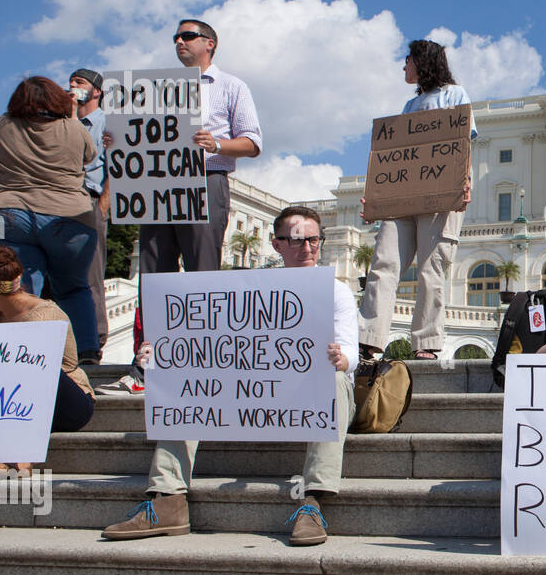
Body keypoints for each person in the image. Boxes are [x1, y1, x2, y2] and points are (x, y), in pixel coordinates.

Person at [102, 205, 359, 545]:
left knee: (336, 379)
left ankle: (313, 500)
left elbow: (352, 357)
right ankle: (168, 499)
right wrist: (159, 355)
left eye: (314, 240)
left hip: (309, 392)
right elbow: (203, 346)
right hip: (250, 391)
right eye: (297, 241)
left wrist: (340, 358)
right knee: (186, 374)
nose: (308, 248)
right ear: (277, 244)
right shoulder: (245, 287)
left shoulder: (336, 290)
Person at [110, 19, 263, 275]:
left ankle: (203, 315)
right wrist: (116, 140)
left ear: (210, 44)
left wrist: (216, 144)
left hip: (205, 178)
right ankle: (154, 315)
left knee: (201, 263)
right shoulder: (156, 89)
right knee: (152, 265)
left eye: (188, 36)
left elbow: (252, 143)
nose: (179, 42)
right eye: (176, 38)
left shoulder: (231, 86)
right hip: (158, 183)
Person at [358, 39, 475, 361]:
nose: (403, 66)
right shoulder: (410, 106)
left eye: (407, 60)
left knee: (431, 268)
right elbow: (395, 157)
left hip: (441, 193)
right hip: (403, 194)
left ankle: (427, 341)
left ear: (422, 61)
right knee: (384, 262)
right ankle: (370, 337)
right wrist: (377, 199)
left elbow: (463, 141)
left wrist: (462, 183)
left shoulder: (455, 94)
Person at [0, 76, 100, 359]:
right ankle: (86, 352)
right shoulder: (73, 128)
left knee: (19, 290)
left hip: (11, 210)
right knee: (74, 288)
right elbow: (89, 156)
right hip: (69, 216)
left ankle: (20, 352)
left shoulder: (5, 124)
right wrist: (69, 114)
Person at [0, 246, 97, 473]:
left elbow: (29, 376)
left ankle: (21, 455)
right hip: (11, 402)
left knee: (33, 364)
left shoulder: (44, 315)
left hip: (65, 402)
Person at [69, 68, 108, 363]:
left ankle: (93, 341)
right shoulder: (62, 121)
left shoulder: (107, 122)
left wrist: (104, 204)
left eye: (79, 82)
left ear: (96, 91)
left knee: (91, 273)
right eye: (70, 81)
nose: (72, 85)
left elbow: (119, 165)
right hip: (58, 202)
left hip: (89, 199)